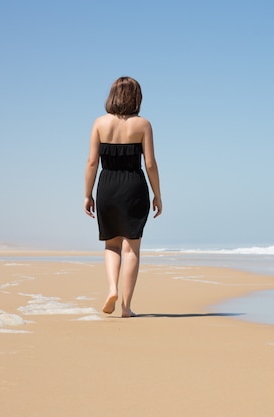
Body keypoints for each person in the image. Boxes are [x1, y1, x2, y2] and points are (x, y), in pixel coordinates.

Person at [84, 76, 162, 318]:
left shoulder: (99, 123)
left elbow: (92, 162)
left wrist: (87, 194)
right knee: (131, 249)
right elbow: (149, 164)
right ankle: (126, 307)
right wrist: (158, 195)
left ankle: (111, 289)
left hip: (106, 186)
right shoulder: (143, 125)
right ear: (136, 97)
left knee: (111, 244)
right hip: (134, 186)